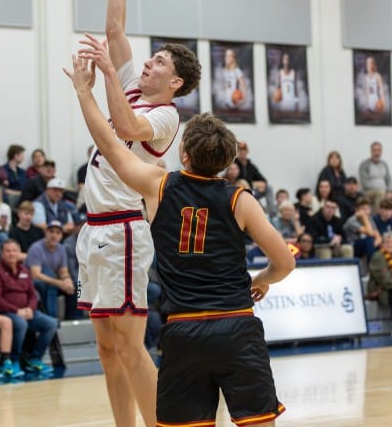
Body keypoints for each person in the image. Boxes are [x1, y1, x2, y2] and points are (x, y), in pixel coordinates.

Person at [65, 51, 295, 427]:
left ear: (183, 154)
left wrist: (85, 91)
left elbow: (109, 145)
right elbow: (285, 262)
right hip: (236, 325)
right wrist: (260, 280)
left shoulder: (160, 187)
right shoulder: (241, 199)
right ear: (227, 161)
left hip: (184, 331)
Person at [73, 0, 202, 427]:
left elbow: (125, 129)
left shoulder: (168, 118)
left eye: (159, 63)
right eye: (149, 59)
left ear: (175, 83)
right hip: (93, 229)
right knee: (107, 348)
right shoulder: (129, 84)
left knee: (130, 347)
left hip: (125, 228)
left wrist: (105, 75)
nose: (146, 63)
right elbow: (115, 28)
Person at [0, 239, 58, 378]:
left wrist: (30, 309)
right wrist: (16, 311)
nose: (11, 254)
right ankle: (13, 360)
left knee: (51, 323)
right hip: (5, 312)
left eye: (14, 251)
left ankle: (34, 359)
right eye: (8, 251)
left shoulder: (25, 270)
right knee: (20, 323)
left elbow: (32, 294)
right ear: (2, 253)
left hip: (27, 311)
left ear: (19, 253)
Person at [25, 220, 76, 318]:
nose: (54, 235)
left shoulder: (61, 249)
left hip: (50, 280)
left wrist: (67, 280)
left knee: (73, 287)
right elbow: (35, 275)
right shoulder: (36, 248)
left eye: (58, 233)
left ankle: (73, 321)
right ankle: (52, 320)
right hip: (33, 283)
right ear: (46, 233)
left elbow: (63, 271)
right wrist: (59, 283)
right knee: (49, 286)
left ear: (61, 235)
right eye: (51, 232)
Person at [358, 141, 392, 211]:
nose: (377, 153)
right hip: (369, 192)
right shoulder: (364, 164)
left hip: (383, 190)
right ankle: (378, 218)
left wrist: (389, 191)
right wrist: (382, 190)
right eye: (375, 150)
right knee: (380, 193)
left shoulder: (384, 164)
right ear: (371, 151)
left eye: (379, 150)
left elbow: (388, 179)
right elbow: (365, 184)